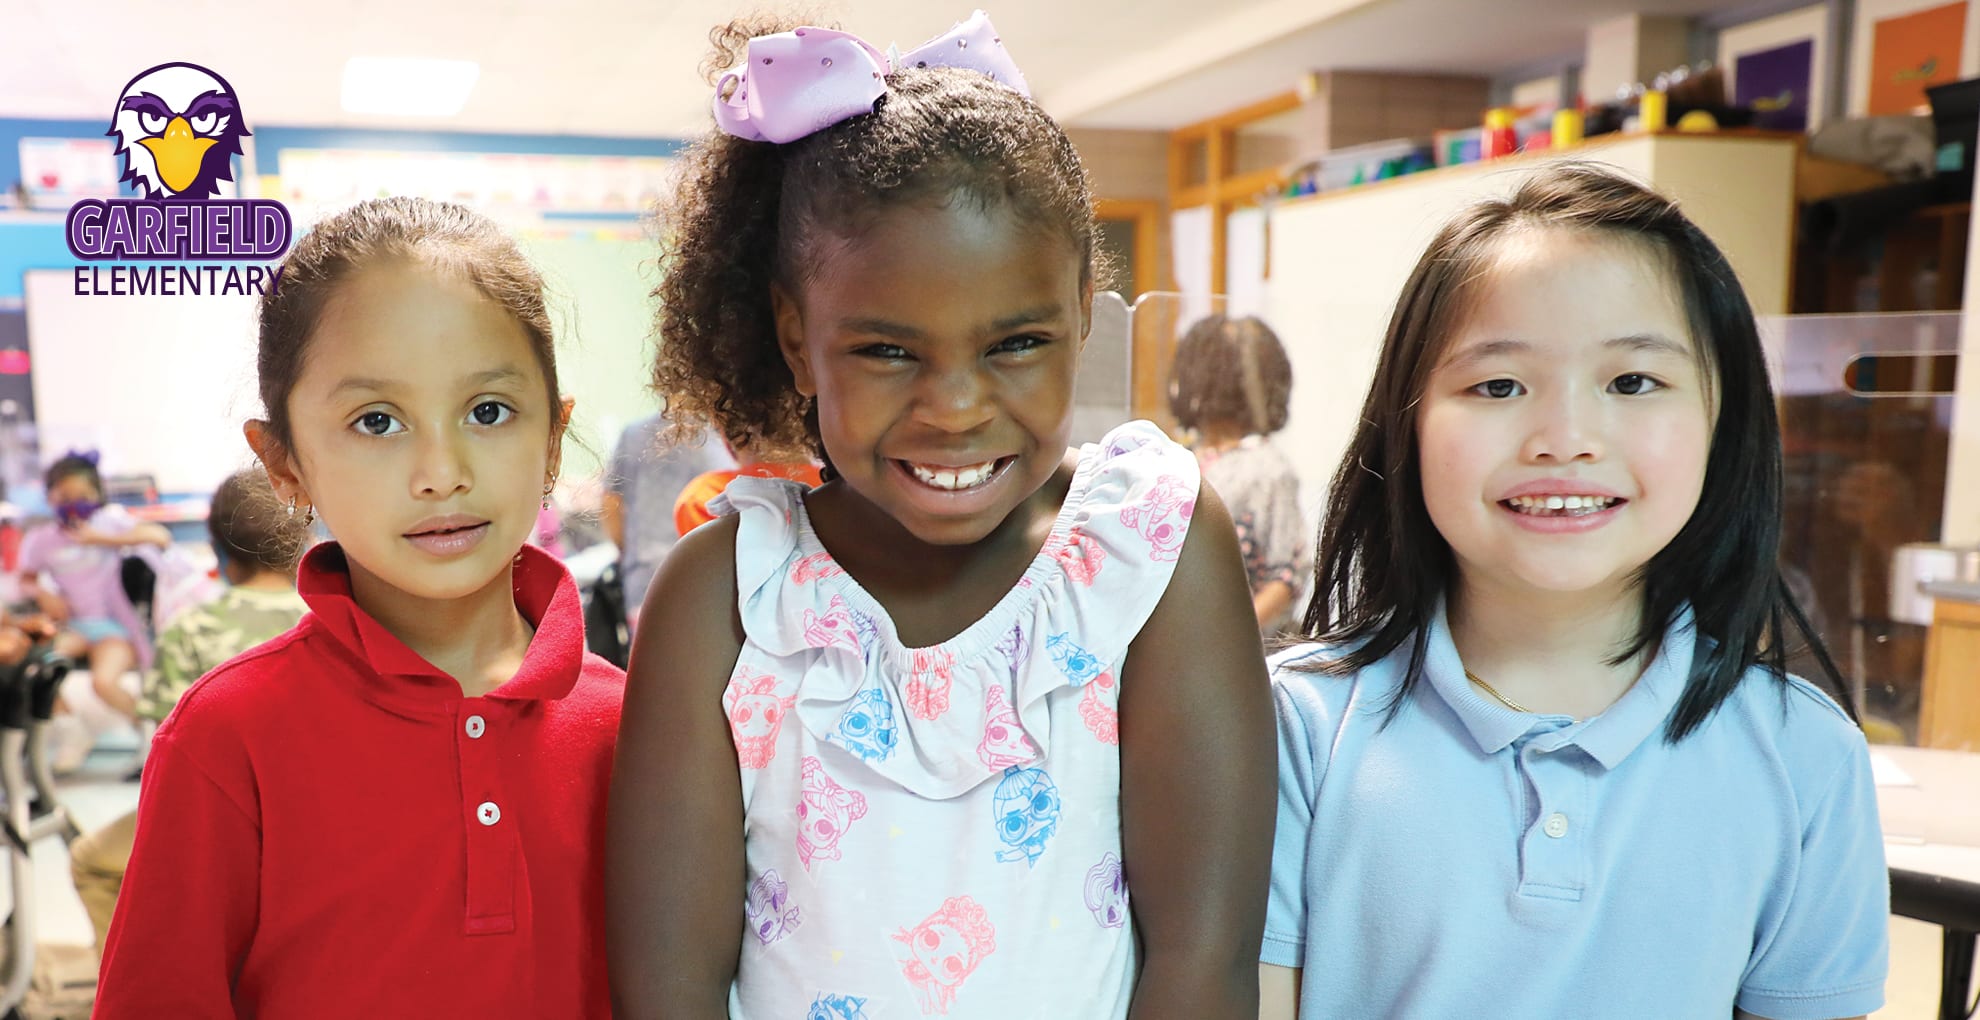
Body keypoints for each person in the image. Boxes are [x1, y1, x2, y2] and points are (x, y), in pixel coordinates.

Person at [607, 13, 1274, 1019]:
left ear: (1081, 317)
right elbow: (668, 991)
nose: (955, 409)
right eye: (887, 352)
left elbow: (1203, 963)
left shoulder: (1151, 551)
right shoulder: (726, 597)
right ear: (796, 340)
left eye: (1015, 344)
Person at [1258, 165, 1887, 1019]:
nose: (1565, 439)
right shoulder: (1295, 728)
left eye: (1632, 382)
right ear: (1406, 422)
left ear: (1723, 420)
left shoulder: (1806, 756)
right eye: (1498, 386)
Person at [95, 197, 624, 1018]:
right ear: (285, 464)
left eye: (488, 411)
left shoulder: (636, 727)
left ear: (552, 440)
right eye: (377, 421)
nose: (441, 473)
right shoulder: (227, 735)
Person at [69, 467, 311, 952]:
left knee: (90, 860)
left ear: (219, 550)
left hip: (219, 827)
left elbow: (169, 758)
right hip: (321, 826)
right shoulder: (335, 621)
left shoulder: (191, 628)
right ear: (302, 542)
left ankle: (139, 984)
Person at [1168, 314, 1305, 630]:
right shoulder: (1181, 458)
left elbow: (1286, 576)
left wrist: (1225, 638)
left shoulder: (1267, 469)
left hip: (1232, 644)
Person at [19, 451, 170, 722]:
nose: (74, 505)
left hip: (115, 631)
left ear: (97, 496)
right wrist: (43, 593)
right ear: (49, 496)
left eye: (83, 497)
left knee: (103, 683)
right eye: (65, 497)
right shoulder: (40, 539)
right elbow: (26, 579)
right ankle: (70, 728)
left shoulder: (109, 523)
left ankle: (156, 731)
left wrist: (100, 539)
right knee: (37, 670)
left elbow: (160, 537)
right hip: (74, 628)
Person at [601, 412, 733, 620]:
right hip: (702, 583)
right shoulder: (718, 439)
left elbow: (610, 502)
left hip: (644, 577)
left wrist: (627, 551)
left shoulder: (633, 434)